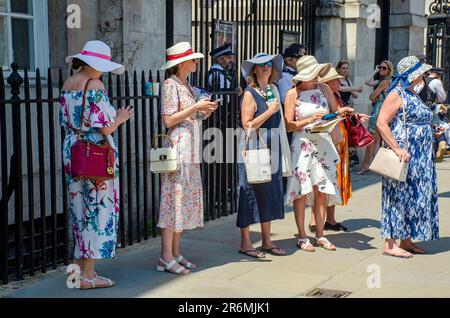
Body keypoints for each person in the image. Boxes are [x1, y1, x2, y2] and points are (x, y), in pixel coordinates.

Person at [61, 40, 133, 289]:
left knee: (79, 213)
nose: (104, 71)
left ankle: (74, 273)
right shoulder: (95, 85)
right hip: (95, 154)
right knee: (96, 212)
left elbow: (68, 119)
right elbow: (105, 126)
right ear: (95, 64)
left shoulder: (69, 83)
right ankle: (88, 276)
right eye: (102, 65)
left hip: (73, 150)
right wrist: (121, 117)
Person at [157, 42, 219, 274]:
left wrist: (204, 110)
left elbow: (192, 116)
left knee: (182, 201)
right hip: (178, 146)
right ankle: (165, 256)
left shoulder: (187, 85)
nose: (196, 62)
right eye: (193, 59)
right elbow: (169, 120)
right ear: (182, 63)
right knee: (173, 199)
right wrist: (195, 109)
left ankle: (174, 252)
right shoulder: (170, 84)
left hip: (190, 146)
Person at [284, 55, 352, 252]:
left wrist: (344, 113)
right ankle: (302, 235)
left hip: (323, 142)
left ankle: (321, 234)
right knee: (302, 191)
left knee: (321, 190)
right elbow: (289, 125)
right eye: (312, 75)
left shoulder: (324, 89)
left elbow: (333, 112)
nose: (316, 78)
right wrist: (309, 120)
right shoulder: (292, 94)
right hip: (303, 144)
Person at [377, 55, 439, 258]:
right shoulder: (397, 93)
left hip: (420, 157)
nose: (424, 75)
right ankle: (390, 243)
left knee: (412, 197)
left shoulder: (411, 93)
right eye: (421, 72)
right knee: (397, 196)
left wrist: (431, 130)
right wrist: (396, 148)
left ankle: (406, 239)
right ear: (414, 74)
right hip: (404, 154)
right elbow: (381, 123)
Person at [237, 52, 286, 258]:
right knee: (249, 192)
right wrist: (270, 111)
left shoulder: (272, 90)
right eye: (261, 65)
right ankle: (246, 243)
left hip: (272, 146)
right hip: (255, 147)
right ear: (254, 70)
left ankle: (266, 241)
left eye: (268, 64)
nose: (266, 67)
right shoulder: (250, 93)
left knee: (270, 193)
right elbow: (247, 125)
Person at [318, 68, 370, 231]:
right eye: (335, 80)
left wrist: (354, 116)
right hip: (330, 143)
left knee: (335, 182)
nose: (338, 82)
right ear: (326, 82)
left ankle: (330, 219)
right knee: (326, 181)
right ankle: (317, 220)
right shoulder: (323, 96)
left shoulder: (336, 95)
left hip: (339, 142)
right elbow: (326, 116)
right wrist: (343, 112)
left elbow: (341, 116)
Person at [358, 60, 394, 174]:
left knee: (371, 139)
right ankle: (377, 165)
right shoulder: (386, 81)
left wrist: (375, 98)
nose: (381, 70)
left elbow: (371, 96)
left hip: (378, 110)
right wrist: (375, 70)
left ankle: (366, 165)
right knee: (379, 139)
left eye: (384, 68)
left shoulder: (384, 83)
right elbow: (367, 81)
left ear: (389, 70)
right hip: (386, 110)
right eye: (380, 67)